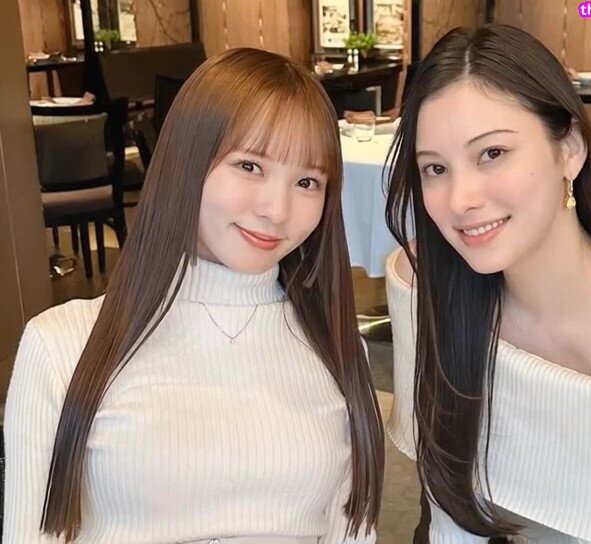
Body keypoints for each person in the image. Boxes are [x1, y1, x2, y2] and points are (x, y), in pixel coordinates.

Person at [4, 48, 384, 543]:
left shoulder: (337, 347)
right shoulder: (62, 345)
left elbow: (351, 531)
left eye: (307, 181)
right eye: (250, 166)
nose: (277, 210)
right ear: (186, 163)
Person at [385, 25, 591, 543]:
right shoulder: (422, 283)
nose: (460, 200)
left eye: (492, 153)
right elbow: (440, 507)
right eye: (434, 168)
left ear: (570, 150)